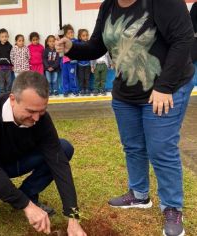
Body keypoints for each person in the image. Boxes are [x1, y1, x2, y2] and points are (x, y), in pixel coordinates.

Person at [55, 0, 195, 235]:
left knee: (161, 149)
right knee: (133, 146)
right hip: (126, 92)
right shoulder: (108, 5)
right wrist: (72, 47)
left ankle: (172, 207)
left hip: (165, 88)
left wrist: (165, 86)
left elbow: (183, 41)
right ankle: (139, 194)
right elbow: (98, 46)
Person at [0, 71, 87, 236]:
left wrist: (73, 217)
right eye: (30, 111)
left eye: (41, 111)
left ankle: (28, 192)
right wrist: (26, 206)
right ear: (13, 99)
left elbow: (59, 163)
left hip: (16, 158)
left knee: (63, 149)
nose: (36, 118)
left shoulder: (40, 118)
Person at [60, 24, 79, 97]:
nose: (71, 34)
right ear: (65, 35)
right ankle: (65, 91)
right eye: (68, 33)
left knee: (72, 77)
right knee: (65, 77)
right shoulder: (63, 41)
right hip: (64, 62)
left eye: (72, 32)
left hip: (72, 62)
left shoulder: (75, 41)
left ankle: (75, 90)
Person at [0, 28, 13, 93]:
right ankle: (2, 92)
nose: (4, 38)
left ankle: (8, 92)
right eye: (2, 37)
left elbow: (11, 56)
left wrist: (12, 65)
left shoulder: (10, 46)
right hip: (0, 67)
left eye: (6, 36)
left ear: (8, 37)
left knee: (9, 81)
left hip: (8, 67)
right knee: (1, 81)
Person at [77, 29, 91, 96]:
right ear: (80, 37)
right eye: (83, 36)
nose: (85, 37)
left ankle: (87, 89)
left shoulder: (89, 44)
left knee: (87, 77)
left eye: (86, 35)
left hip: (88, 64)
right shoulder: (78, 44)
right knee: (81, 78)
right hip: (80, 65)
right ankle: (82, 89)